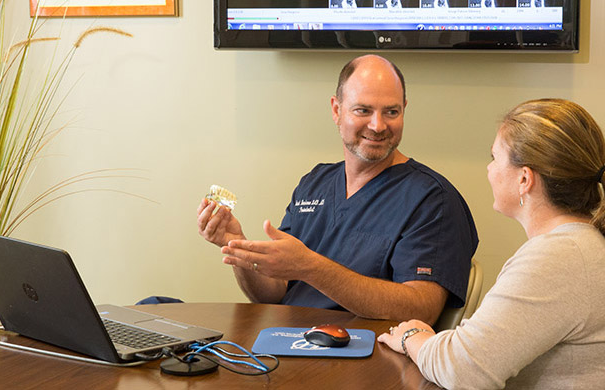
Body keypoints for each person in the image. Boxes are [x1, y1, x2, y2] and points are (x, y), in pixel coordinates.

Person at [379, 98, 605, 389]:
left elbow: (464, 371)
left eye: (494, 157)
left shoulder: (560, 259)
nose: (489, 169)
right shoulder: (586, 245)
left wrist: (412, 337)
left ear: (524, 179)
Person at [196, 54, 478, 324]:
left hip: (362, 359)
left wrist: (311, 267)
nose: (378, 125)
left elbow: (421, 309)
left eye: (391, 112)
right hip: (288, 342)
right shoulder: (315, 182)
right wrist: (235, 246)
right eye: (363, 110)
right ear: (336, 110)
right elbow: (276, 291)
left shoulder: (432, 200)